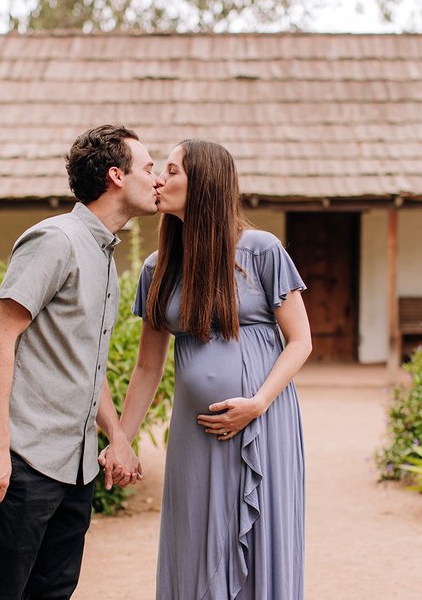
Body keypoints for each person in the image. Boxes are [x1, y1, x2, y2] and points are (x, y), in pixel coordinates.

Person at [105, 139, 313, 599]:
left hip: (264, 424)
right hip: (195, 435)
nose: (159, 179)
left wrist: (257, 403)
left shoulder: (261, 251)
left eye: (173, 170)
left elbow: (301, 341)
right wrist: (122, 438)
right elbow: (147, 366)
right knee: (195, 543)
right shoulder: (157, 267)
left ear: (205, 182)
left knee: (261, 543)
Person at [0, 125, 160, 599]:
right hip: (25, 459)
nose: (157, 179)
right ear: (116, 175)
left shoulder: (105, 257)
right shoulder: (56, 240)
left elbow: (86, 367)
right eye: (149, 167)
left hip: (76, 468)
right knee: (0, 591)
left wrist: (118, 437)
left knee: (53, 591)